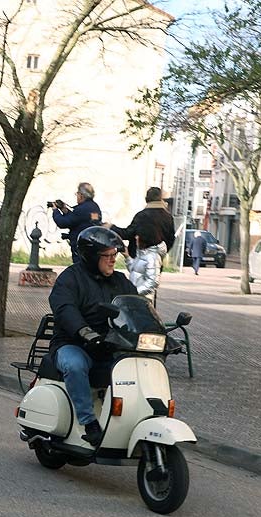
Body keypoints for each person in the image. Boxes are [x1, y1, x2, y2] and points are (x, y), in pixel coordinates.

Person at [48, 227, 137, 448]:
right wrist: (85, 332)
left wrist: (155, 330)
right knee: (75, 365)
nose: (112, 260)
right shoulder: (70, 278)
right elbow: (64, 309)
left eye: (114, 255)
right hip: (72, 343)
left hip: (109, 345)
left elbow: (136, 306)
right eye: (106, 256)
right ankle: (89, 424)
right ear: (90, 257)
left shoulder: (120, 281)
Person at [115, 187, 176, 259]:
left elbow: (127, 234)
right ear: (160, 198)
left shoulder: (141, 216)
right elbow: (171, 238)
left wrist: (111, 227)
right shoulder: (168, 217)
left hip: (140, 259)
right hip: (158, 259)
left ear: (146, 199)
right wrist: (162, 253)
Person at [52, 182, 102, 262]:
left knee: (80, 270)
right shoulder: (94, 207)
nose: (77, 196)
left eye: (77, 194)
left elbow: (62, 223)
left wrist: (55, 211)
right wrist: (65, 210)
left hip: (80, 247)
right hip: (92, 245)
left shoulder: (81, 209)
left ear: (81, 195)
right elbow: (78, 219)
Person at [127, 225, 166, 302]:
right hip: (135, 297)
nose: (136, 237)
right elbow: (135, 270)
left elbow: (153, 282)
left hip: (143, 299)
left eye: (138, 235)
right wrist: (127, 257)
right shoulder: (141, 253)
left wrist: (136, 292)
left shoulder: (152, 257)